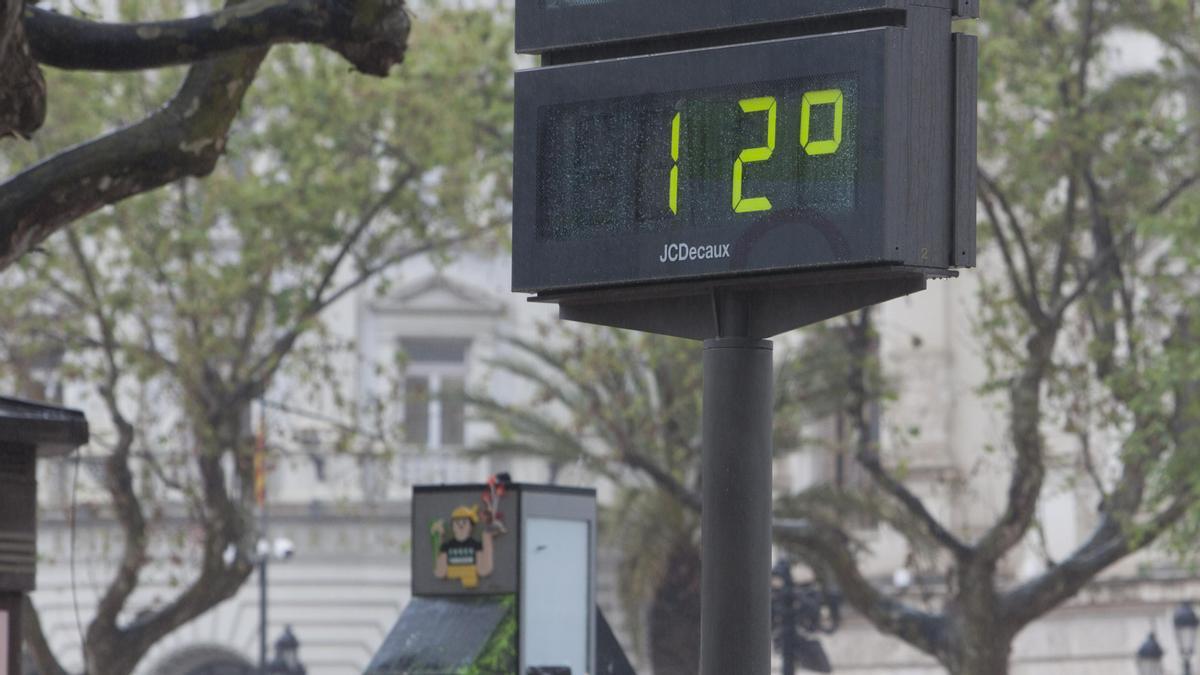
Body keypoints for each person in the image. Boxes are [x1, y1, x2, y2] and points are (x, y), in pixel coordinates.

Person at [431, 505, 496, 589]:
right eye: (457, 522)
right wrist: (438, 537)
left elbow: (484, 569)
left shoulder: (475, 545)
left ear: (471, 527)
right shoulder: (446, 546)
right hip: (452, 573)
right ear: (452, 526)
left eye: (464, 522)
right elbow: (439, 572)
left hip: (471, 573)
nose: (461, 525)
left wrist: (487, 538)